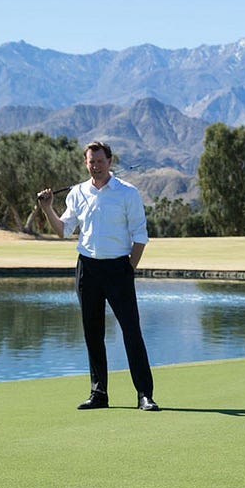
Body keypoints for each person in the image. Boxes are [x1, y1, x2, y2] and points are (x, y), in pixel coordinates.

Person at [36, 141, 160, 412]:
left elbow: (140, 235)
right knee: (93, 333)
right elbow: (63, 230)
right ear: (86, 163)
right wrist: (47, 208)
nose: (96, 166)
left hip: (119, 269)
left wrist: (130, 268)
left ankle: (144, 395)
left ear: (110, 161)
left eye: (100, 161)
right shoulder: (77, 193)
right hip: (88, 269)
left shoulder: (128, 193)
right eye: (91, 162)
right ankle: (99, 393)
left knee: (131, 332)